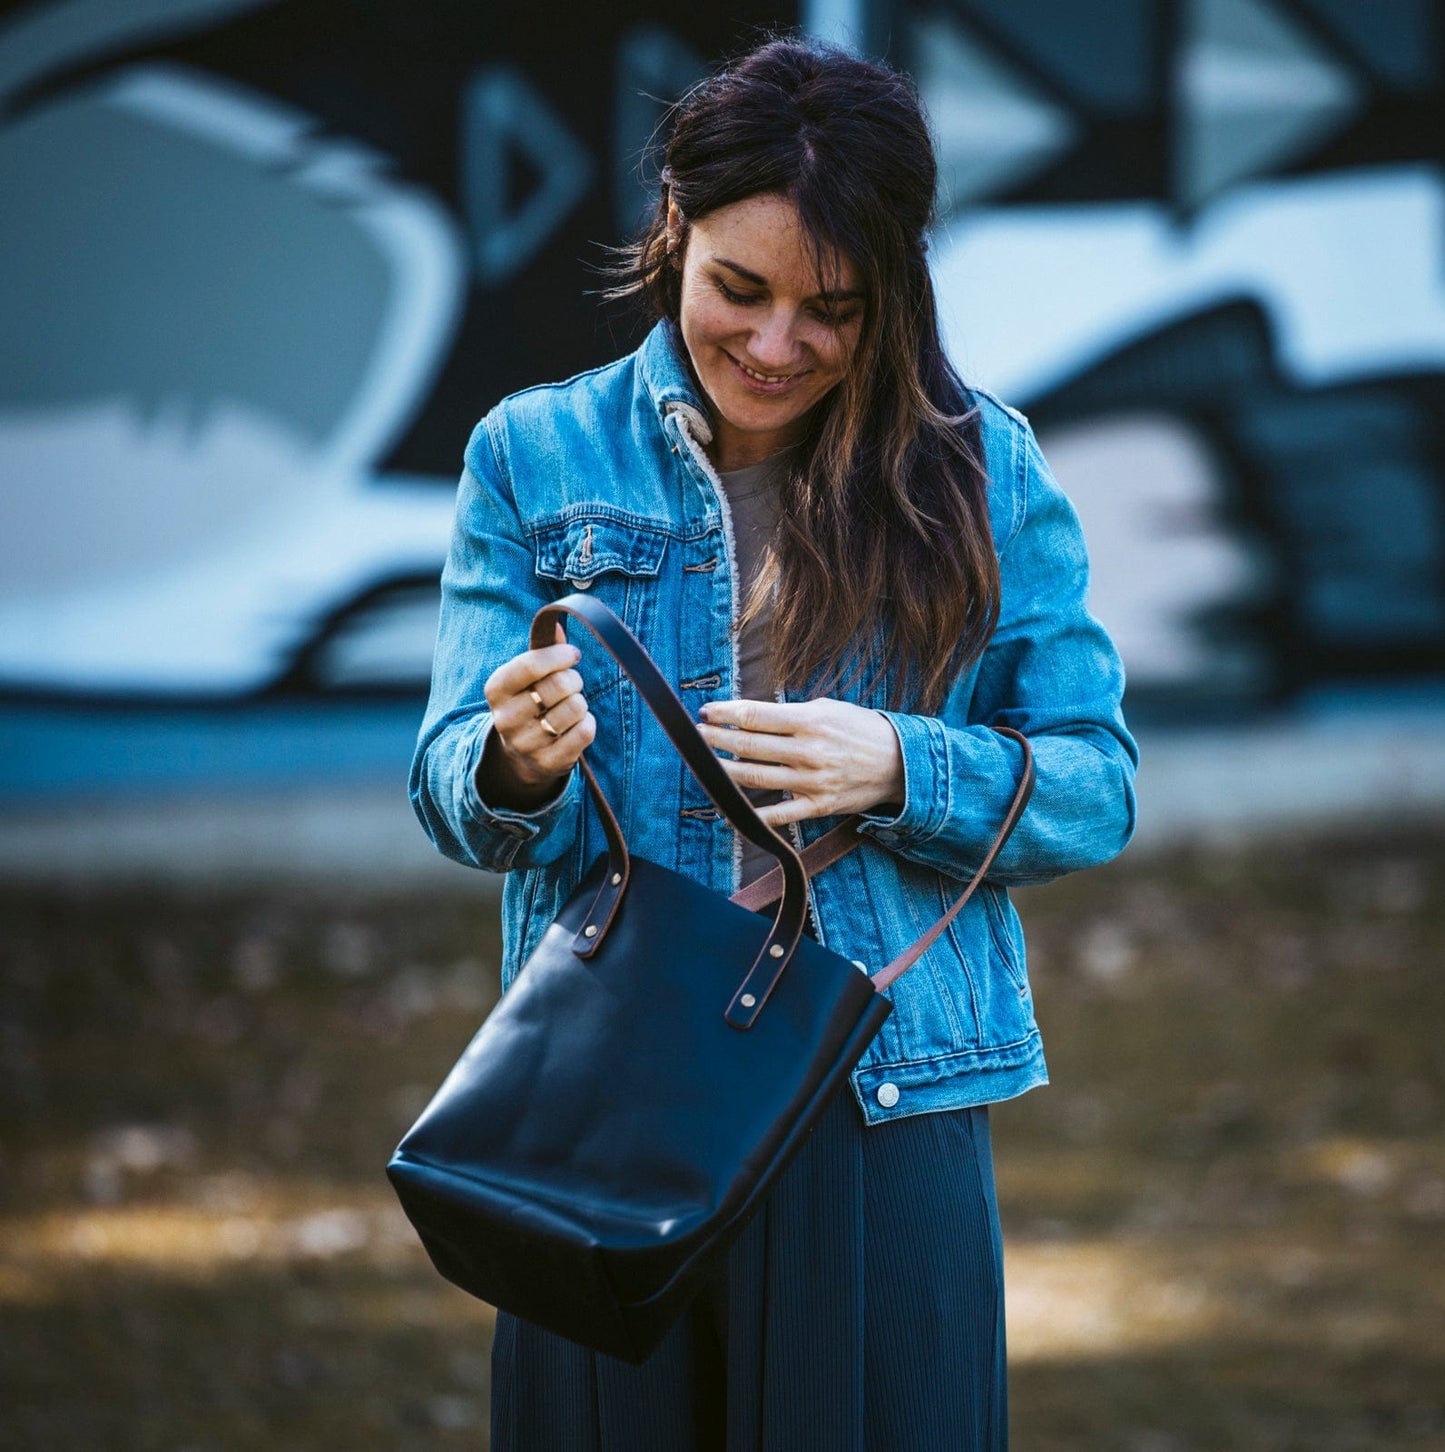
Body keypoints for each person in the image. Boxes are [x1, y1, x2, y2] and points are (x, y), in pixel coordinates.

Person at [410, 35, 1137, 1452]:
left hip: (883, 1098)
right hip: (609, 1099)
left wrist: (901, 767)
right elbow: (455, 782)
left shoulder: (983, 470)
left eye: (834, 310)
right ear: (671, 231)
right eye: (738, 290)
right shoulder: (530, 455)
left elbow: (1094, 787)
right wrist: (515, 765)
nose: (774, 344)